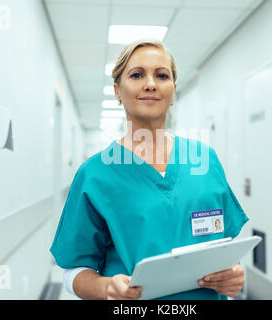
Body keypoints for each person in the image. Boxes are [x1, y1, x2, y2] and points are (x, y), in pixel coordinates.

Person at [50, 39, 249, 300]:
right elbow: (74, 270)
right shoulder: (95, 174)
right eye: (137, 74)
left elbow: (223, 249)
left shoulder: (205, 160)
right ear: (117, 90)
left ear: (173, 89)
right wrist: (105, 288)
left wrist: (233, 275)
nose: (151, 83)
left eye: (162, 75)